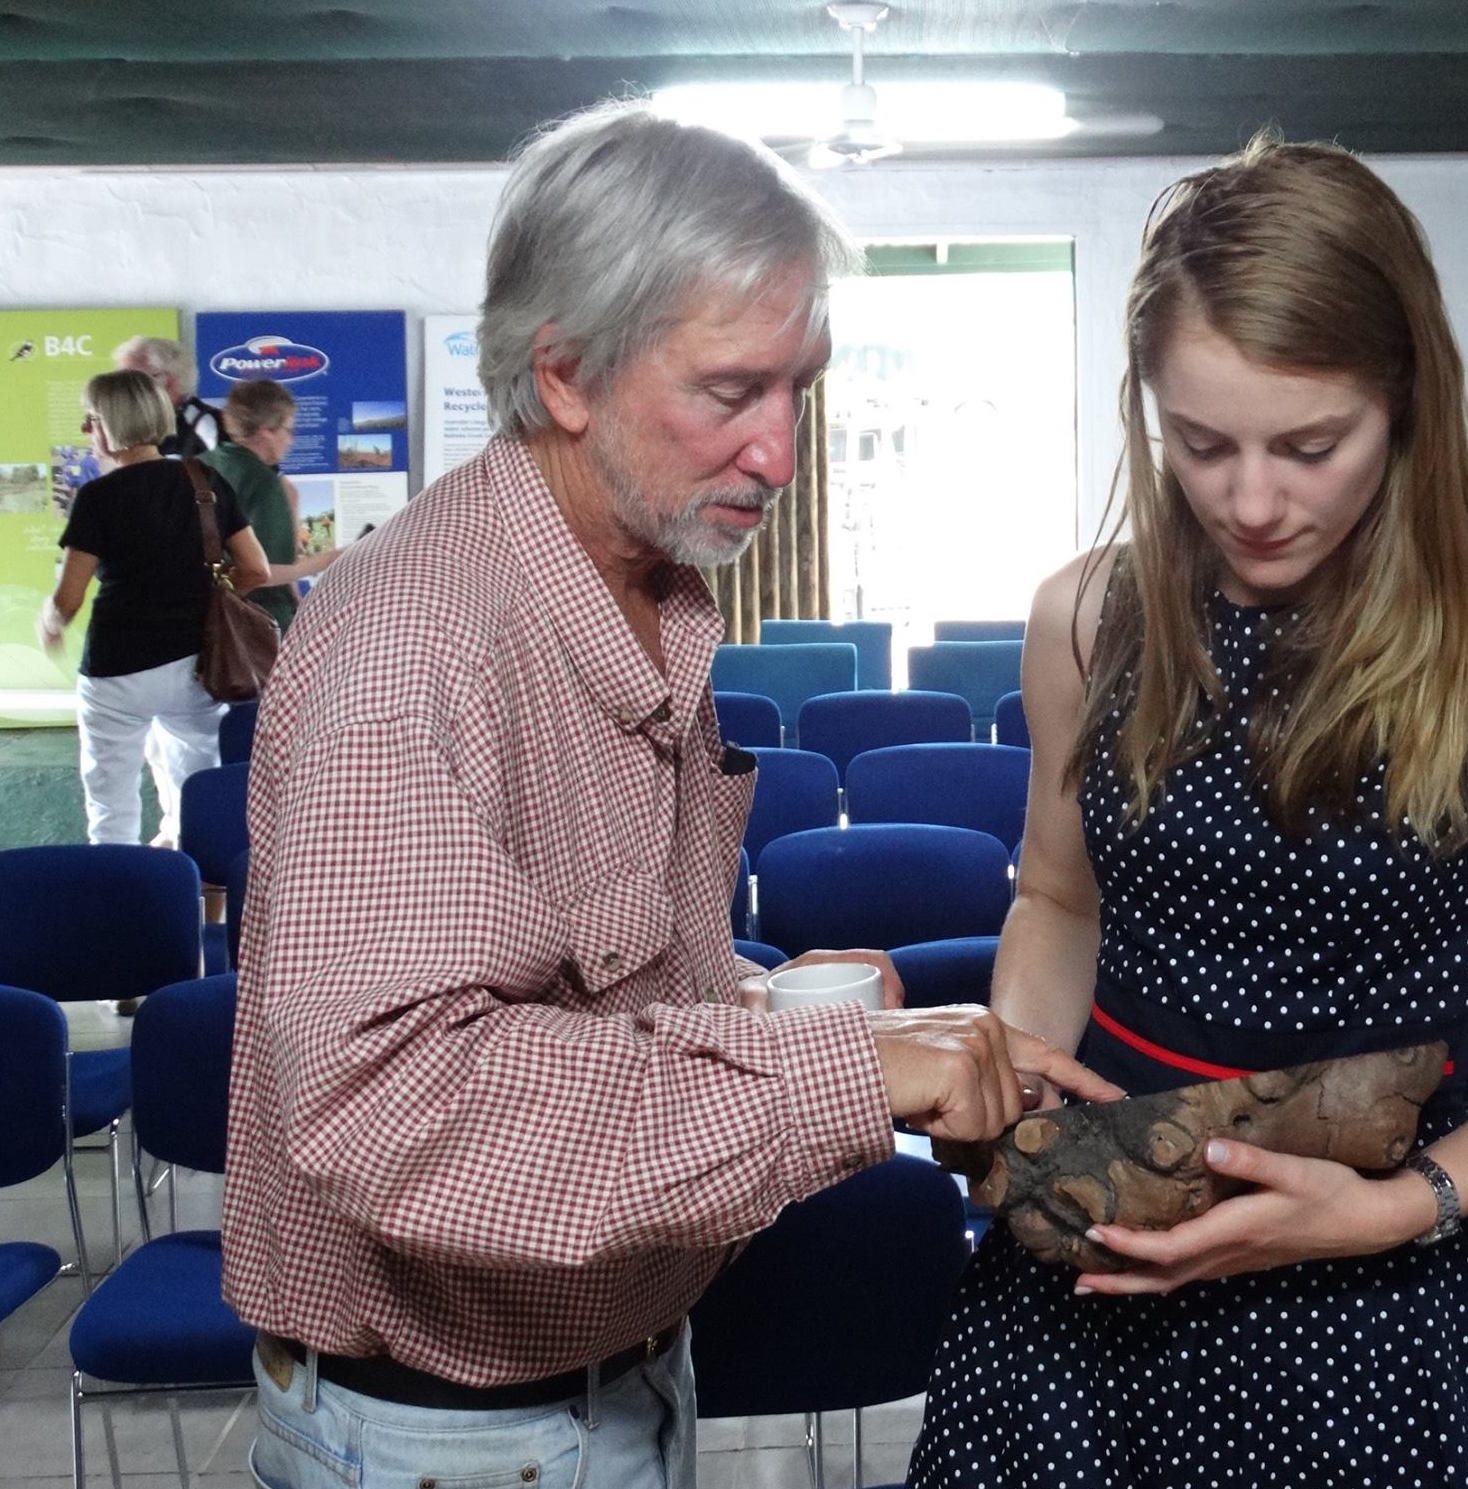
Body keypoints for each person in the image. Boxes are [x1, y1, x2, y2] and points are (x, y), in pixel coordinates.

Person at [222, 101, 1117, 1489]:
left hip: (601, 1384)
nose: (780, 451)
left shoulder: (627, 576)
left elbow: (552, 985)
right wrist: (840, 1073)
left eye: (798, 388)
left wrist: (751, 1003)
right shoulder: (418, 649)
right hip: (455, 1439)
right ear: (565, 374)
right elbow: (393, 1105)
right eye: (729, 390)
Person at [907, 134, 1468, 1488]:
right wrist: (1018, 1090)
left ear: (1404, 400)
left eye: (1312, 446)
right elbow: (1059, 898)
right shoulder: (1086, 615)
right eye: (1201, 445)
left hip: (1394, 1281)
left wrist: (1401, 1207)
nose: (1252, 502)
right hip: (1104, 1255)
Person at [37, 370, 269, 845]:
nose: (86, 431)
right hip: (199, 664)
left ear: (110, 425)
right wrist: (206, 600)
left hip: (118, 671)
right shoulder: (205, 480)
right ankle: (195, 880)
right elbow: (256, 569)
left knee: (111, 799)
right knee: (194, 785)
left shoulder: (97, 497)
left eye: (91, 420)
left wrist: (49, 623)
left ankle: (119, 883)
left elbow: (68, 599)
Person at [201, 380, 340, 635]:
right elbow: (263, 572)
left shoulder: (200, 464)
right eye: (288, 430)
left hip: (205, 621)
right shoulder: (263, 482)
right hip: (259, 624)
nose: (291, 440)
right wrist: (334, 558)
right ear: (266, 431)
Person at [114, 334, 227, 458]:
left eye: (130, 380)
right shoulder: (120, 428)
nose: (120, 389)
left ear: (169, 380)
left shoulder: (208, 426)